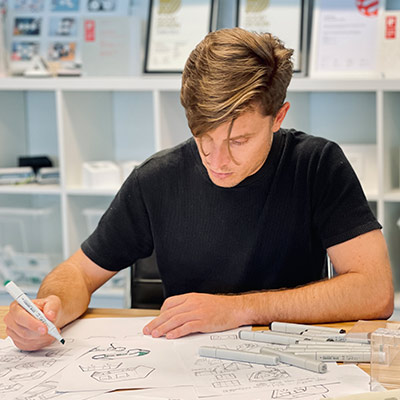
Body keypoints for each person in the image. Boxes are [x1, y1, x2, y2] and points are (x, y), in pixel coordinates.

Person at [5, 28, 394, 351]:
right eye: (202, 137)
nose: (217, 160)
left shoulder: (316, 165)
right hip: (186, 367)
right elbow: (78, 273)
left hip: (292, 361)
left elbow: (375, 291)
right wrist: (50, 307)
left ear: (278, 117)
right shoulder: (156, 179)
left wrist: (238, 310)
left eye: (238, 141)